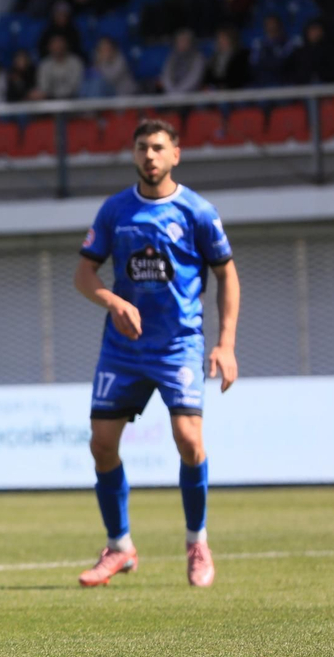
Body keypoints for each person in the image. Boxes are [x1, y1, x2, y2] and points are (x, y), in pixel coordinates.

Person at [73, 119, 239, 589]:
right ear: (133, 154)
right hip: (122, 349)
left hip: (177, 346)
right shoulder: (115, 210)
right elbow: (84, 275)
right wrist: (114, 300)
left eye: (159, 148)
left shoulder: (197, 212)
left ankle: (197, 542)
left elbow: (228, 275)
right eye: (143, 147)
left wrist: (225, 343)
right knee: (102, 444)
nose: (150, 155)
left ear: (175, 155)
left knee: (190, 441)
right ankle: (120, 547)